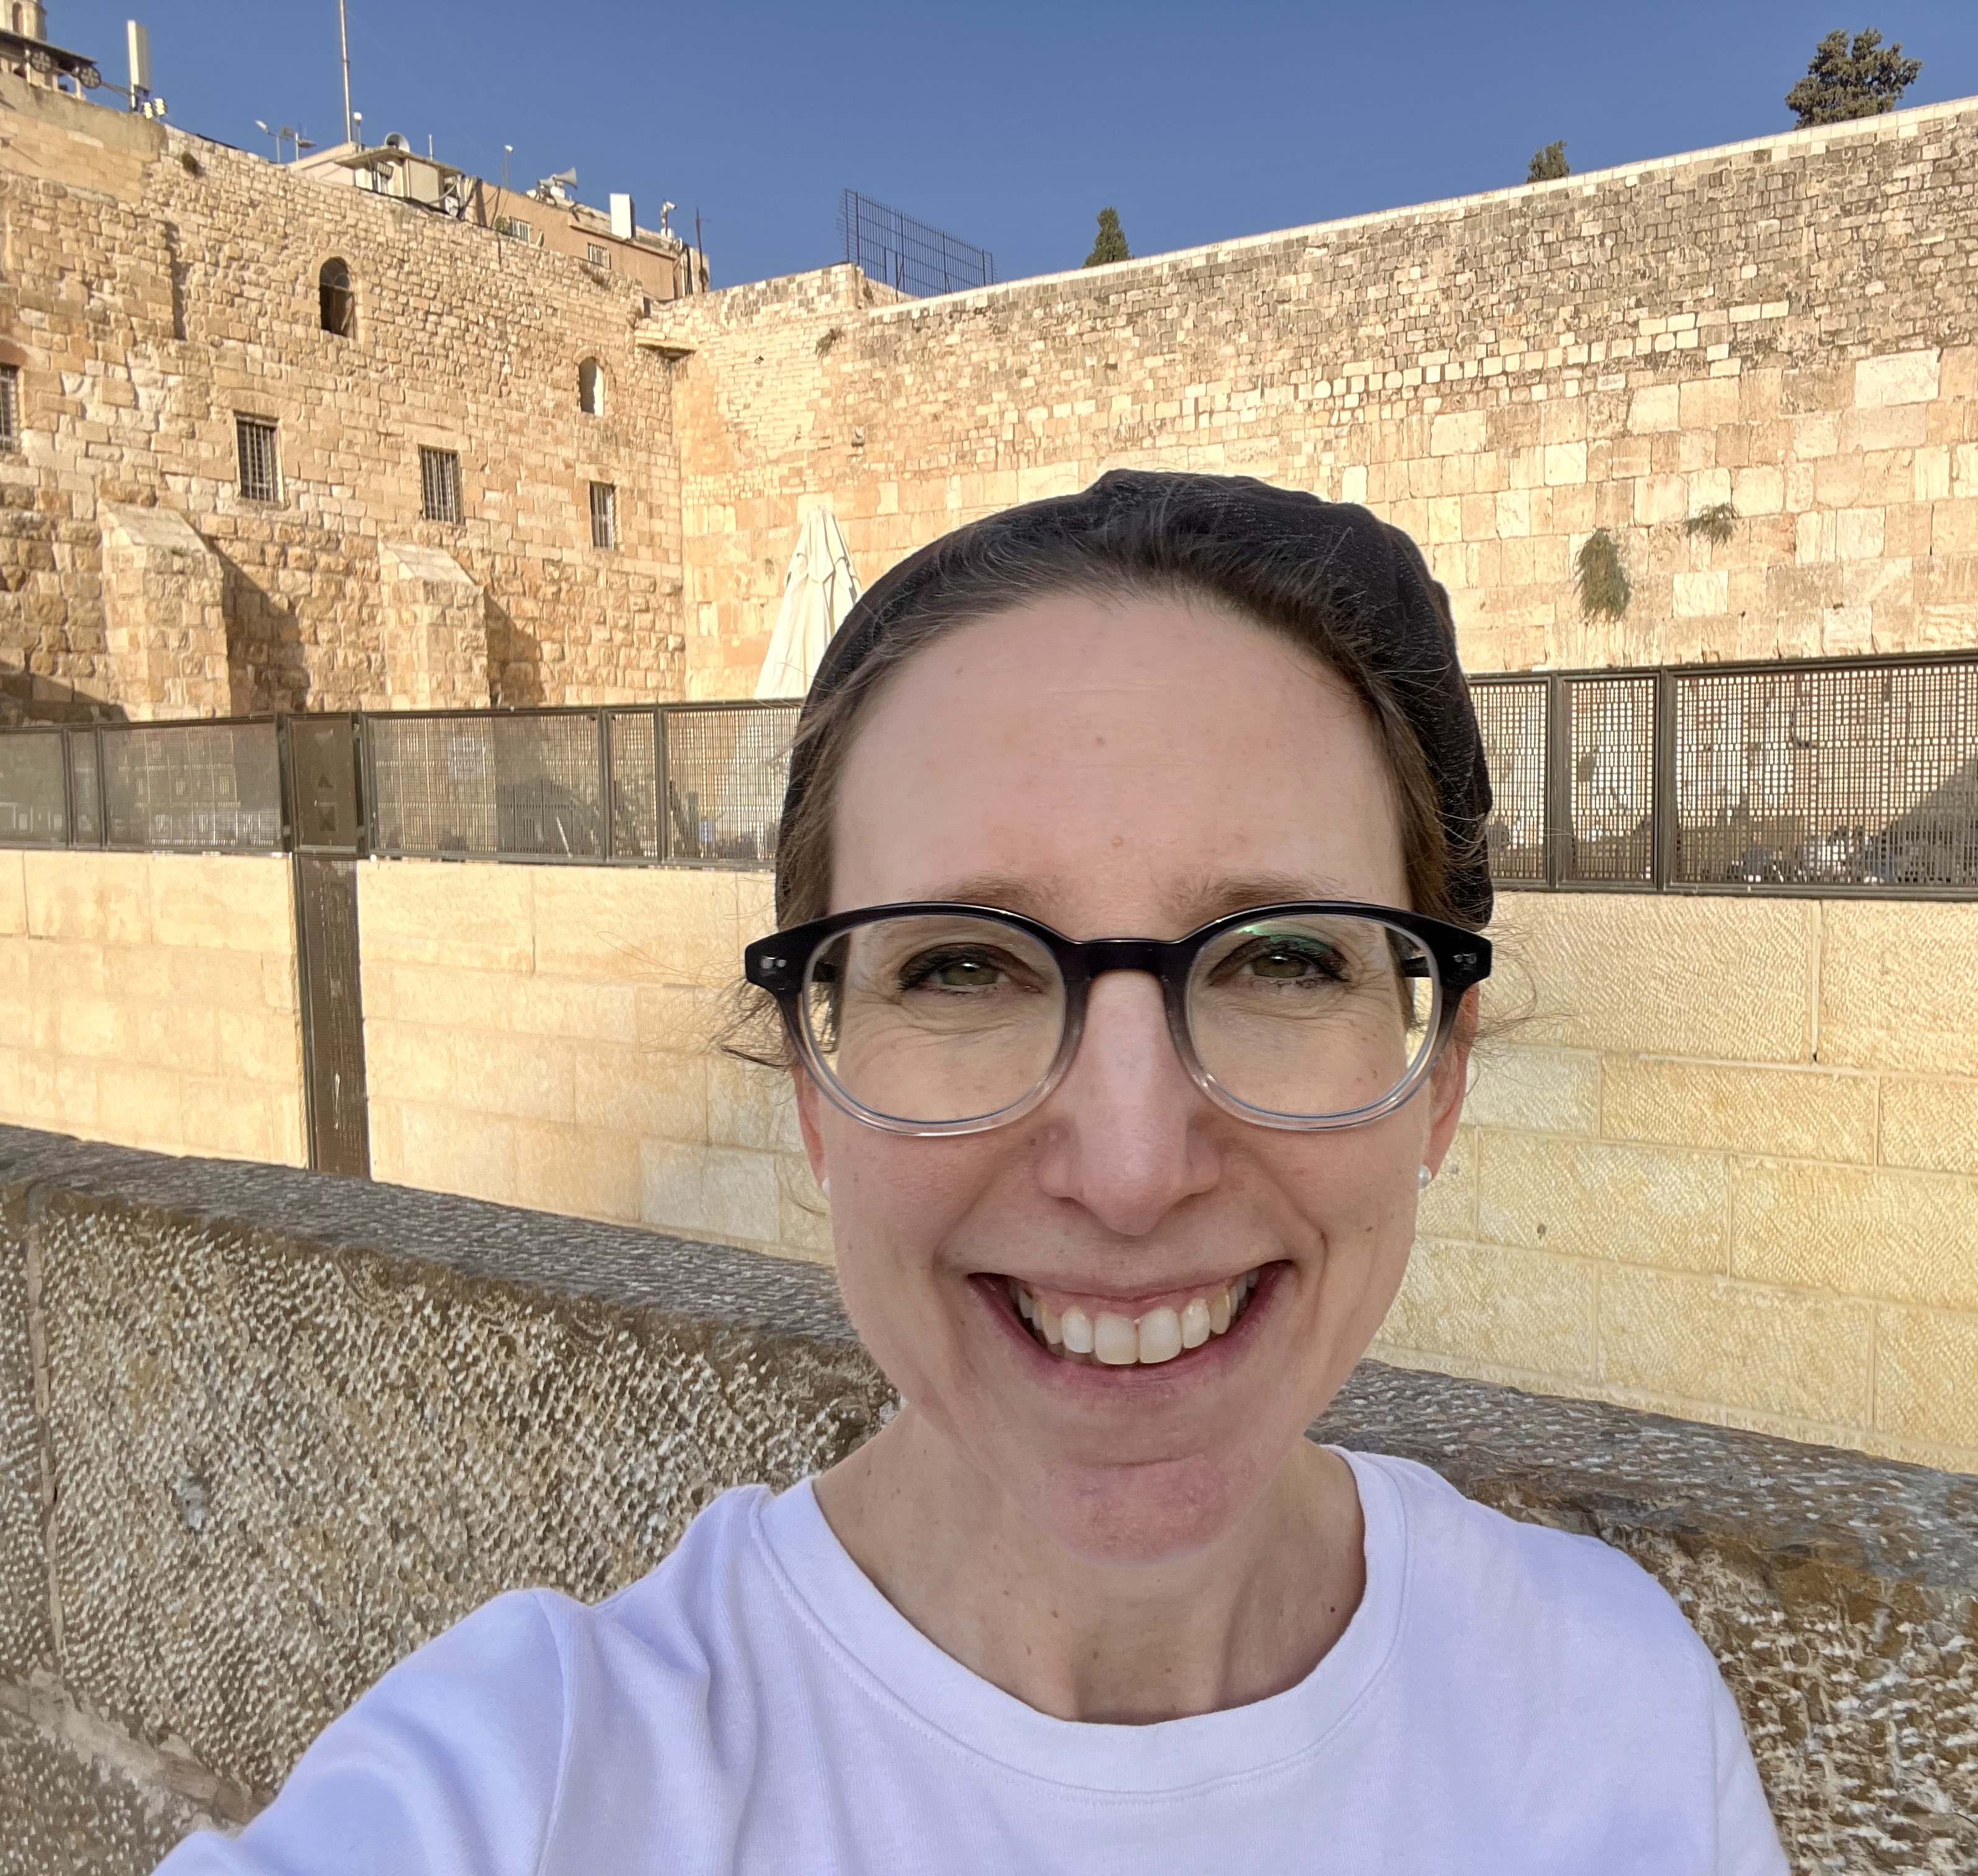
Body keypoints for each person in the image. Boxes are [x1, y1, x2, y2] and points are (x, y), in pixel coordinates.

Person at [161, 471, 1788, 1874]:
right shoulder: (531, 1788)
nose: (1135, 1167)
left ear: (1440, 1075)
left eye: (1283, 960)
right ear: (816, 1083)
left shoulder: (1620, 1715)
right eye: (960, 970)